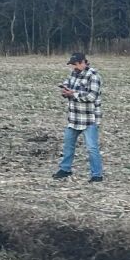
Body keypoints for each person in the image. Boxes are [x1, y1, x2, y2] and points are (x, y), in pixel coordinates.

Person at [53, 51, 103, 181]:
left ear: (83, 62)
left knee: (92, 148)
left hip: (89, 119)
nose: (73, 67)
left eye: (75, 64)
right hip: (74, 118)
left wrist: (73, 94)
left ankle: (97, 175)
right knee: (68, 145)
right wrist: (65, 91)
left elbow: (91, 96)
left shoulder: (94, 76)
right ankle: (65, 169)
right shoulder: (73, 74)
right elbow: (68, 84)